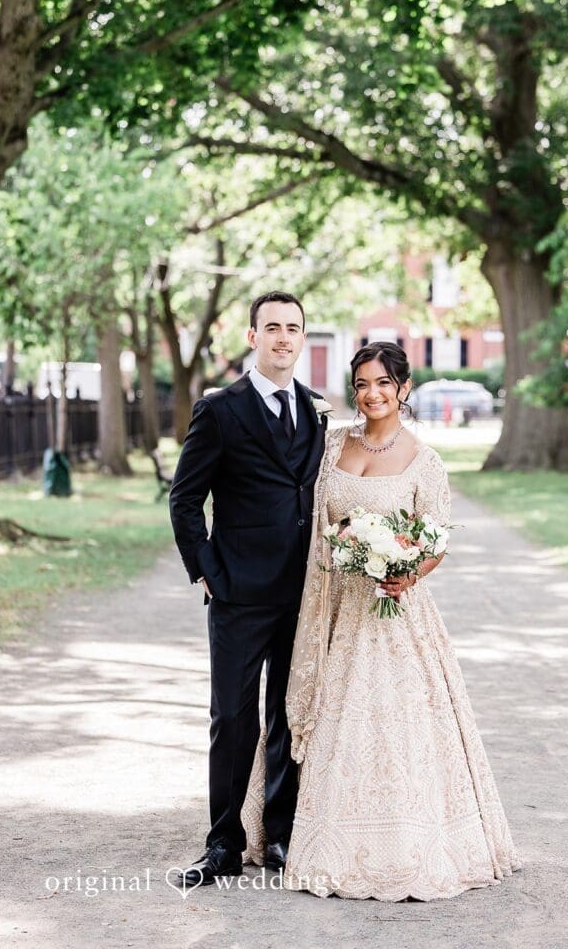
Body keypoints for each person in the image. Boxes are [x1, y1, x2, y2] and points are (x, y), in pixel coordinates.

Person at [243, 341, 521, 900]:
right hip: (333, 606)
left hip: (395, 612)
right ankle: (290, 827)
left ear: (404, 389)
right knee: (324, 710)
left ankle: (405, 840)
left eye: (383, 385)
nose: (372, 395)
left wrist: (408, 572)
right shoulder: (331, 445)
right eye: (363, 385)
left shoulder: (425, 460)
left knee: (394, 723)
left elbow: (436, 538)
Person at [169, 291, 328, 886]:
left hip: (303, 592)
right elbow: (185, 498)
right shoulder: (221, 409)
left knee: (288, 716)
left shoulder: (315, 409)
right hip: (238, 592)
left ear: (301, 337)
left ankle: (278, 836)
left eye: (293, 328)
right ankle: (222, 844)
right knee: (231, 718)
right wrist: (208, 570)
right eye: (272, 327)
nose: (284, 337)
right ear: (252, 335)